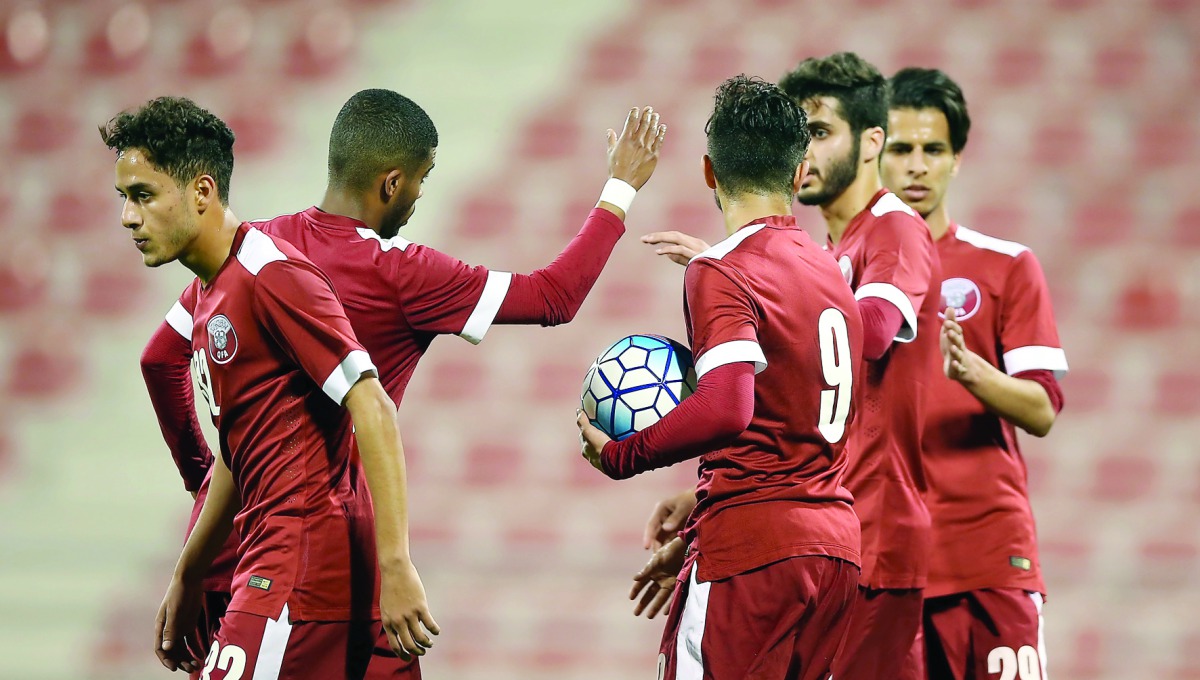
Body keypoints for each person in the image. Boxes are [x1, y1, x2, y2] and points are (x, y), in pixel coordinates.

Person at [138, 89, 667, 676]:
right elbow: (555, 296)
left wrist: (200, 478)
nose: (419, 195)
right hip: (322, 563)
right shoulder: (400, 273)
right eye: (422, 179)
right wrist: (619, 190)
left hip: (250, 549)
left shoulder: (254, 249)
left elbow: (160, 361)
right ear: (393, 183)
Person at [104, 96, 434, 679]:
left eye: (143, 196)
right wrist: (189, 574)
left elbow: (373, 405)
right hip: (299, 563)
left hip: (298, 570)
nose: (129, 217)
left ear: (201, 192)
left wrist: (398, 563)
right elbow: (240, 450)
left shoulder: (271, 275)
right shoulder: (213, 292)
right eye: (124, 199)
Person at [641, 53, 943, 680]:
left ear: (871, 142)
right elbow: (794, 392)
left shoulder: (893, 229)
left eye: (824, 129)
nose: (810, 147)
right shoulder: (822, 256)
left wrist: (745, 274)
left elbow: (873, 334)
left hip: (871, 525)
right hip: (826, 524)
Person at [577, 75, 864, 680]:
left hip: (753, 551)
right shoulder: (832, 271)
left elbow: (727, 408)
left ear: (709, 172)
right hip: (834, 549)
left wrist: (622, 456)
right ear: (797, 172)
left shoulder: (721, 271)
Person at [881, 67, 1066, 680]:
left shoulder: (1008, 266)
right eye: (902, 149)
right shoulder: (842, 273)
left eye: (933, 150)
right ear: (876, 153)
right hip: (885, 567)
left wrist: (972, 373)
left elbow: (1041, 410)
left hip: (989, 559)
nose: (917, 166)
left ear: (956, 159)